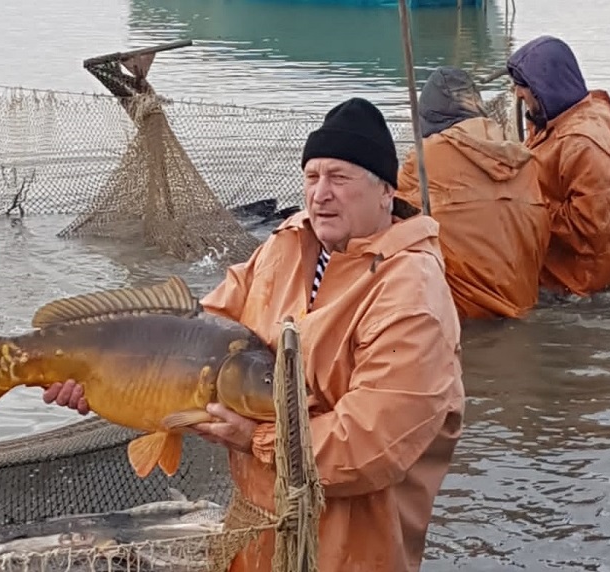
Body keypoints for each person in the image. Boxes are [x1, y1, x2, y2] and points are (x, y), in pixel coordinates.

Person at [43, 97, 466, 572]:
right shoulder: (287, 246)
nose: (320, 194)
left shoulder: (412, 294)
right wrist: (98, 376)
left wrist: (255, 439)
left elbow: (373, 446)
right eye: (312, 177)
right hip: (255, 528)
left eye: (340, 178)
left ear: (387, 191)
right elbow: (192, 333)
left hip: (349, 549)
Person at [396, 66, 551, 320]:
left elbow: (388, 223)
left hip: (465, 314)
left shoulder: (425, 158)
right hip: (524, 302)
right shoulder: (522, 158)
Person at [506, 35, 610, 296]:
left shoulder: (583, 145)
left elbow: (591, 228)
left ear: (543, 87)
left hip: (588, 282)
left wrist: (522, 208)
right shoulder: (561, 115)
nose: (517, 93)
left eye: (522, 85)